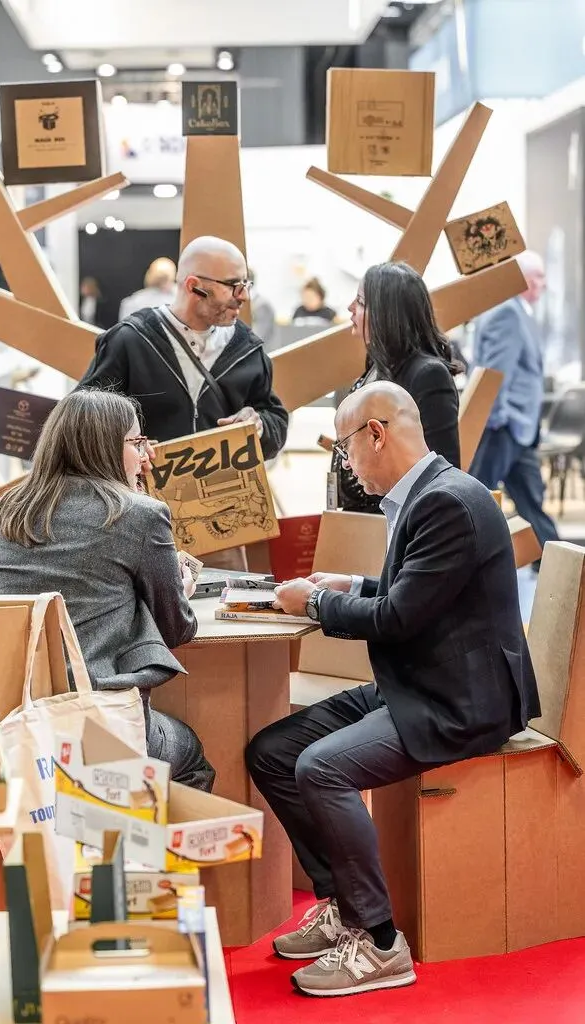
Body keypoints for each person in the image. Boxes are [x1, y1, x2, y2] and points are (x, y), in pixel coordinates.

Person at [245, 381, 540, 998]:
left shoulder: (446, 502)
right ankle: (345, 905)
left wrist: (317, 602)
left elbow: (400, 616)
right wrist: (350, 584)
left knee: (320, 768)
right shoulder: (429, 494)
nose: (346, 464)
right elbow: (415, 590)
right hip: (416, 684)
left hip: (460, 701)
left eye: (345, 448)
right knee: (271, 752)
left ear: (376, 434)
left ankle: (380, 943)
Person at [0, 389, 215, 792]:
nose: (146, 455)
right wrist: (180, 588)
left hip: (17, 717)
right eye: (137, 442)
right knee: (192, 759)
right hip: (98, 720)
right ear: (106, 446)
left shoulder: (6, 510)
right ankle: (133, 834)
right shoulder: (139, 514)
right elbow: (176, 629)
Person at [78, 235, 289, 569]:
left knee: (221, 602)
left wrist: (258, 424)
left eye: (245, 284)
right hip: (137, 527)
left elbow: (275, 419)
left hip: (222, 531)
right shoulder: (130, 340)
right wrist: (128, 443)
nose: (244, 296)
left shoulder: (248, 349)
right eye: (233, 286)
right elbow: (84, 416)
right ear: (194, 286)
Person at [331, 262, 461, 513]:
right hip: (364, 520)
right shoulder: (377, 365)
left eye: (360, 301)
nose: (350, 307)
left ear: (386, 314)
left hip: (397, 524)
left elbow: (442, 474)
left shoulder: (428, 375)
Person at [469, 250, 559, 554]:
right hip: (504, 427)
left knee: (528, 504)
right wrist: (497, 420)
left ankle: (560, 567)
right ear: (522, 280)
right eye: (538, 277)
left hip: (516, 429)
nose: (543, 284)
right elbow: (495, 375)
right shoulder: (507, 313)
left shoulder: (515, 311)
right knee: (475, 500)